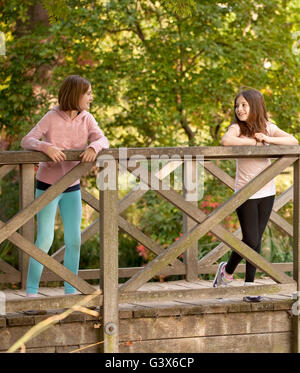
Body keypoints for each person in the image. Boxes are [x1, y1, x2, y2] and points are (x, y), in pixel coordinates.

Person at [21, 75, 109, 297]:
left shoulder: (87, 118)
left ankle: (70, 291)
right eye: (88, 93)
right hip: (48, 185)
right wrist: (46, 147)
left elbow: (103, 140)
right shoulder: (51, 117)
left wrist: (94, 147)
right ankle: (31, 293)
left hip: (72, 186)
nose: (91, 97)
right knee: (44, 239)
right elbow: (26, 140)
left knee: (74, 240)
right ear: (75, 94)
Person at [213, 88, 298, 302]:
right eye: (237, 105)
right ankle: (231, 274)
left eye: (244, 105)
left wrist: (267, 139)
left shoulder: (268, 127)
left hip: (267, 191)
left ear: (255, 106)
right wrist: (253, 142)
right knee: (250, 239)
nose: (239, 109)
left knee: (255, 239)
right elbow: (226, 141)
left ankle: (242, 281)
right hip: (245, 192)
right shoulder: (236, 128)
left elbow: (293, 141)